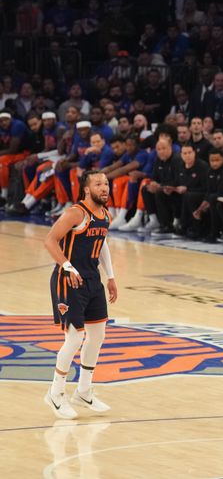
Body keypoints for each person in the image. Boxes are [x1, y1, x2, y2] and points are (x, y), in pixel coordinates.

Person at [43, 170, 118, 419]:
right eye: (98, 184)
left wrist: (111, 276)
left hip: (92, 281)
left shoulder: (105, 214)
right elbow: (50, 240)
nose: (104, 188)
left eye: (106, 183)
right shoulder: (76, 212)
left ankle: (84, 391)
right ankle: (55, 394)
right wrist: (67, 266)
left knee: (97, 335)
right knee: (74, 339)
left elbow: (102, 244)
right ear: (86, 189)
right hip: (69, 280)